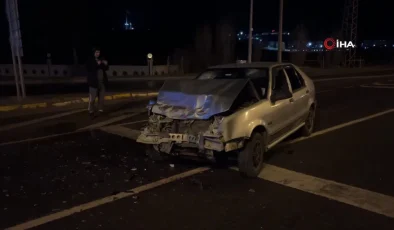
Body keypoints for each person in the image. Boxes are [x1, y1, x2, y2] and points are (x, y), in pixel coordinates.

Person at [86, 48, 109, 116]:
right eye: (96, 52)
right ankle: (91, 111)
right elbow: (89, 68)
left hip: (102, 83)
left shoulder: (101, 59)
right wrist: (97, 64)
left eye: (98, 52)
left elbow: (106, 68)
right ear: (93, 53)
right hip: (94, 83)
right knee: (92, 99)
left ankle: (100, 110)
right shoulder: (90, 60)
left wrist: (106, 64)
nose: (97, 54)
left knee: (101, 99)